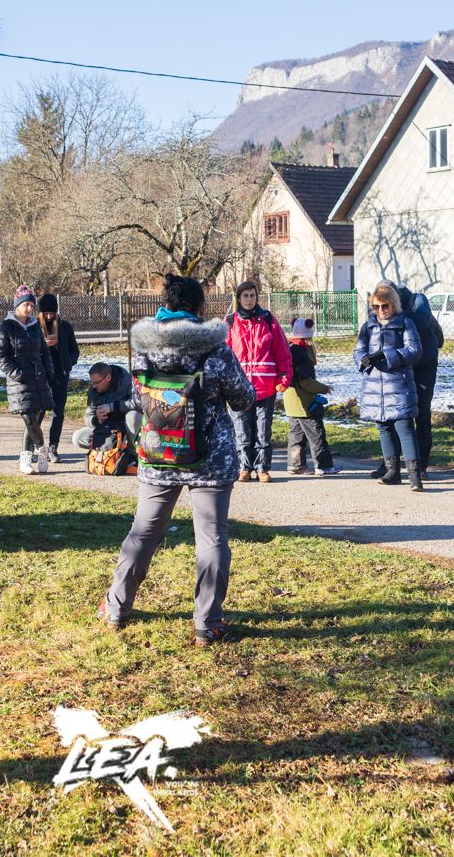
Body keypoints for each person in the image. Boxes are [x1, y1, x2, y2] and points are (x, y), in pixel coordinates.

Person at [100, 273, 255, 647]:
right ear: (200, 308)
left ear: (165, 306)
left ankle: (116, 608)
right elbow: (244, 398)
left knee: (144, 532)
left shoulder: (145, 350)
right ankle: (208, 623)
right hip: (210, 460)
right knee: (211, 537)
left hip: (159, 454)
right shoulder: (216, 350)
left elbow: (139, 398)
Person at [356, 282, 424, 491]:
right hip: (375, 386)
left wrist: (388, 356)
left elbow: (415, 350)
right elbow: (358, 349)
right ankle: (392, 471)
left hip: (399, 384)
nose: (381, 310)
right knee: (383, 428)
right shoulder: (368, 326)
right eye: (376, 307)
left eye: (384, 306)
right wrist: (363, 359)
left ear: (394, 304)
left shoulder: (405, 323)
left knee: (404, 428)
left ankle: (414, 476)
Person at [225, 279, 292, 483]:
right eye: (245, 296)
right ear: (239, 298)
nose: (249, 299)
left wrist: (284, 378)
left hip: (266, 386)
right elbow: (222, 354)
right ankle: (244, 467)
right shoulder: (230, 322)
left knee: (263, 430)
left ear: (257, 297)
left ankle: (262, 468)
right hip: (239, 388)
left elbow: (282, 352)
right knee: (242, 430)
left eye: (252, 295)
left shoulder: (268, 320)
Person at [0, 284, 56, 475]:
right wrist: (17, 374)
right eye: (25, 305)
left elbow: (45, 352)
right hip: (20, 381)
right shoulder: (6, 327)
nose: (29, 309)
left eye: (31, 305)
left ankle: (26, 459)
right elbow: (1, 356)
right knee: (29, 419)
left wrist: (49, 370)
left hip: (39, 378)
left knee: (35, 420)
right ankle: (42, 449)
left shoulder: (35, 326)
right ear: (17, 305)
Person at [393, 280, 444, 472]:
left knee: (420, 414)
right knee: (399, 414)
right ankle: (394, 464)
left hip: (423, 368)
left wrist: (395, 318)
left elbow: (422, 321)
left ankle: (421, 464)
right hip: (406, 365)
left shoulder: (418, 302)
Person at [283, 317, 335, 476]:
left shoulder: (288, 348)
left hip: (291, 403)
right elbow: (305, 381)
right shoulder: (302, 353)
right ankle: (324, 465)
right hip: (305, 404)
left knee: (296, 437)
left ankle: (295, 465)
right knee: (316, 435)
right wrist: (324, 388)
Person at [38, 292, 81, 463]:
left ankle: (53, 447)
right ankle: (34, 446)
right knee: (38, 412)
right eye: (46, 313)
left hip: (60, 374)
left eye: (52, 313)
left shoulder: (65, 327)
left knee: (58, 412)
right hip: (41, 376)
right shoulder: (34, 327)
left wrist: (67, 363)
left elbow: (74, 350)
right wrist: (43, 346)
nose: (49, 316)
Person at [72, 362, 140, 452]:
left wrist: (112, 407)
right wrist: (97, 420)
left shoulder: (128, 381)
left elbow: (138, 402)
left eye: (97, 382)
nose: (94, 386)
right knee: (77, 437)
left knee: (133, 416)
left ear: (108, 377)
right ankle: (111, 447)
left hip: (126, 428)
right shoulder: (94, 389)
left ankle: (133, 451)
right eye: (92, 382)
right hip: (108, 429)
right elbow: (88, 416)